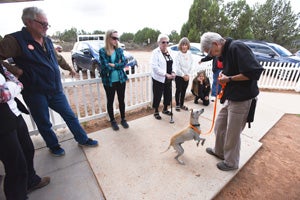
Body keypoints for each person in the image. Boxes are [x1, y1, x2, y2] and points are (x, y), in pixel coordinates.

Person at [0, 7, 98, 157]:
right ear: (29, 22)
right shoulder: (15, 40)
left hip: (55, 89)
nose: (46, 27)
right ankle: (53, 146)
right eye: (43, 24)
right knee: (44, 122)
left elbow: (57, 58)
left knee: (70, 116)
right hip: (35, 91)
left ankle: (82, 139)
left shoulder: (47, 40)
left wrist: (69, 68)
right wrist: (15, 71)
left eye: (47, 24)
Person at [200, 32, 263, 171]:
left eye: (210, 52)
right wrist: (225, 75)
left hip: (243, 98)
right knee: (220, 126)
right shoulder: (226, 52)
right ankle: (219, 151)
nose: (212, 55)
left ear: (216, 44)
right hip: (231, 96)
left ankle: (231, 162)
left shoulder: (237, 48)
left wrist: (229, 79)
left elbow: (254, 72)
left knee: (232, 133)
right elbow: (233, 71)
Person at [0, 62, 50, 200]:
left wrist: (11, 86)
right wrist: (12, 86)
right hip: (2, 122)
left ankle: (30, 181)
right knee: (15, 165)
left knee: (28, 149)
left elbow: (17, 82)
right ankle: (17, 195)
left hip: (14, 113)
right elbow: (3, 94)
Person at [99, 29, 129, 131]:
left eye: (117, 38)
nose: (116, 40)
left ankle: (123, 119)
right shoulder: (102, 51)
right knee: (110, 101)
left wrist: (114, 65)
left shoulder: (119, 50)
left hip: (121, 79)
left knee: (121, 100)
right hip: (109, 81)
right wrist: (118, 65)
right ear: (108, 38)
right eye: (114, 38)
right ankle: (112, 120)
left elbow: (124, 62)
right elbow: (104, 66)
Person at [150, 34, 176, 120]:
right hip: (159, 78)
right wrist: (165, 74)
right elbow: (154, 67)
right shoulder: (155, 52)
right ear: (159, 43)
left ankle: (165, 109)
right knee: (157, 95)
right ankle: (156, 111)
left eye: (167, 42)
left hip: (169, 78)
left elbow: (173, 63)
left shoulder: (170, 51)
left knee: (168, 94)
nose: (165, 44)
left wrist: (173, 72)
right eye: (163, 42)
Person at [173, 37, 193, 111]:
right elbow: (177, 67)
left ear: (188, 46)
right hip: (179, 76)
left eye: (185, 45)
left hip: (187, 76)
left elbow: (191, 65)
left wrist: (188, 75)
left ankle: (182, 104)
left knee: (184, 91)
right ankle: (177, 105)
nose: (184, 46)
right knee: (179, 90)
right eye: (182, 45)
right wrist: (183, 75)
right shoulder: (178, 55)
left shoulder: (190, 54)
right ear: (180, 46)